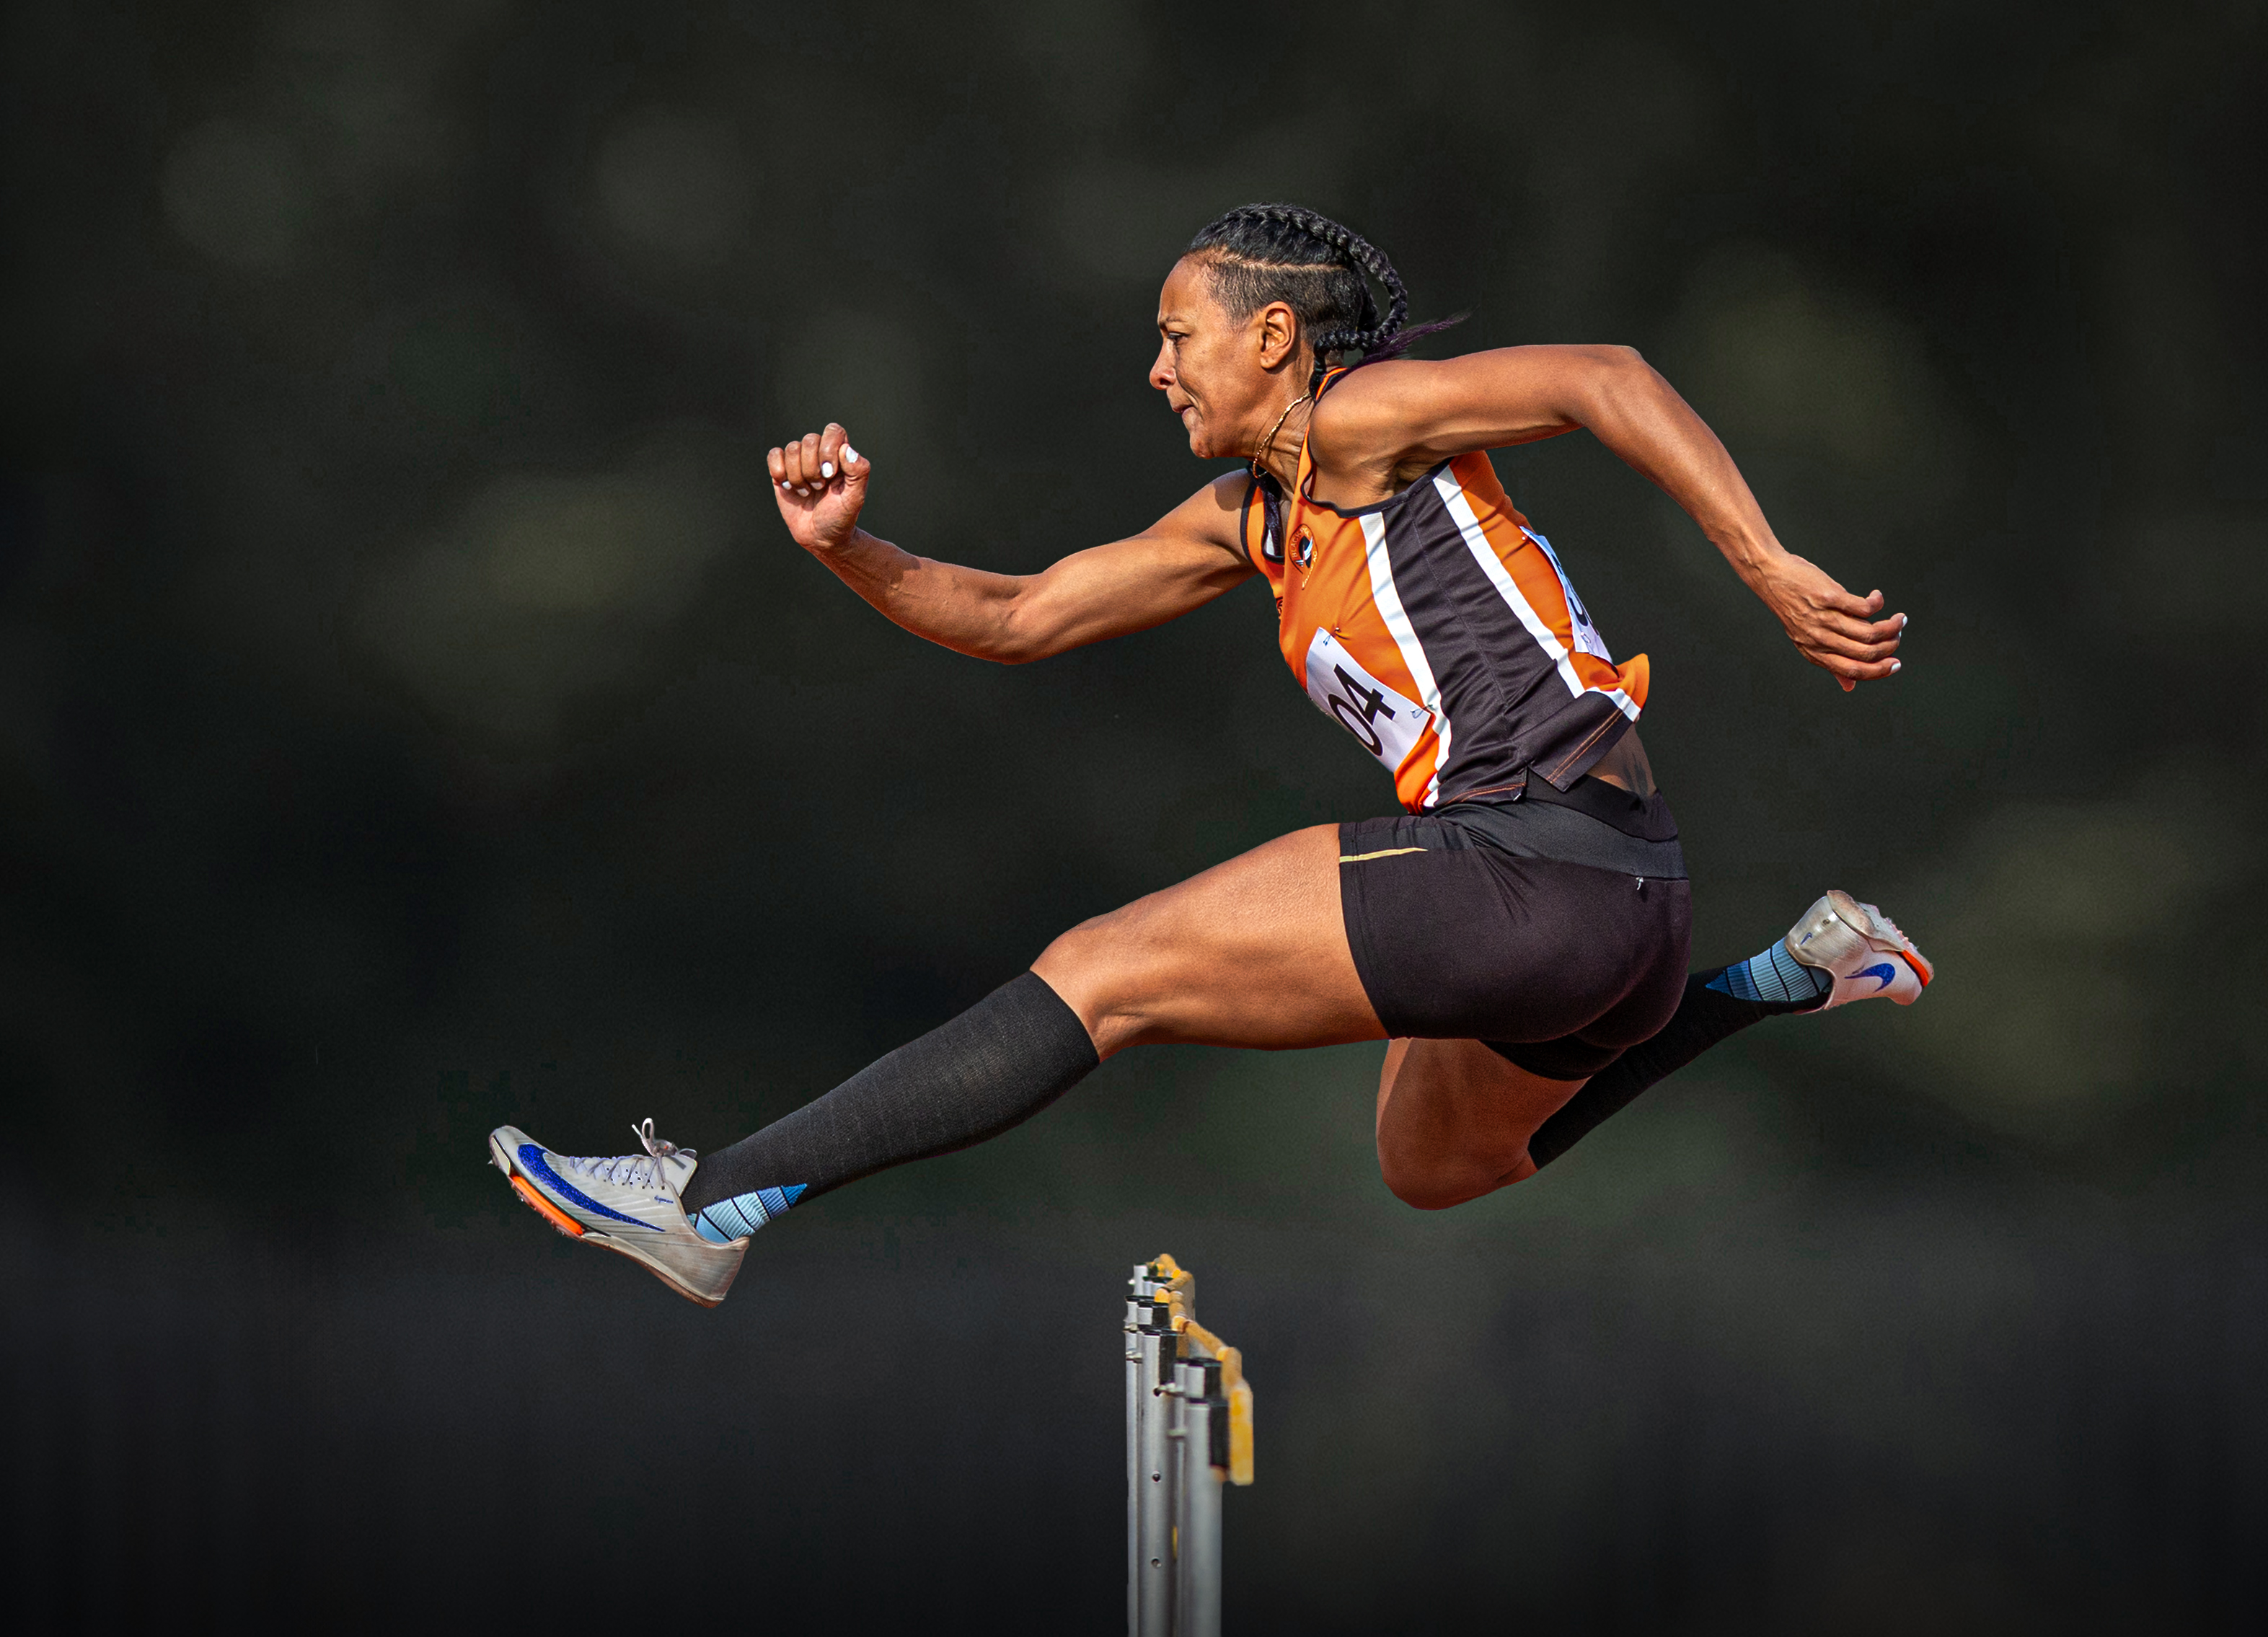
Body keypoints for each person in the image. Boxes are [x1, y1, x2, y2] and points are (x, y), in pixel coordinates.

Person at [487, 203, 1931, 1307]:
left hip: (1526, 855)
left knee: (1104, 969)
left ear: (1277, 339)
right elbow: (1021, 613)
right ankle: (1773, 978)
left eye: (1181, 333)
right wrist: (849, 546)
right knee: (1433, 1168)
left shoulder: (1360, 424)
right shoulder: (1254, 518)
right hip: (1623, 904)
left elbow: (1603, 375)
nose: (1159, 364)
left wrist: (1766, 563)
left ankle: (714, 1203)